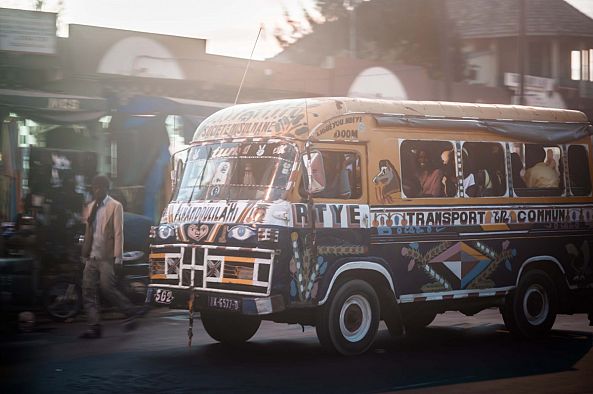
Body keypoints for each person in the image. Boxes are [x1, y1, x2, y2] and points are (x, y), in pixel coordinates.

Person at [79, 175, 143, 339]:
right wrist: (84, 254)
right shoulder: (91, 206)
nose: (97, 190)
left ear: (106, 189)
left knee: (107, 288)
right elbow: (88, 233)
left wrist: (118, 258)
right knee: (87, 290)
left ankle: (130, 311)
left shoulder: (115, 206)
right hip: (92, 257)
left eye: (100, 187)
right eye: (95, 187)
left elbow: (118, 233)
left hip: (107, 257)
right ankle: (94, 327)